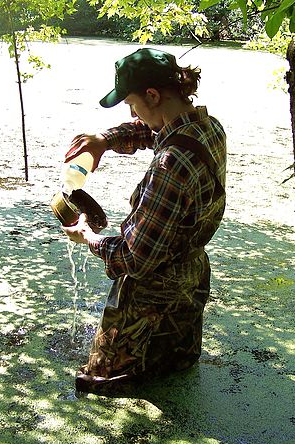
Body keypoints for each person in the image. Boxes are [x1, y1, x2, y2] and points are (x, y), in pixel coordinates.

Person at [62, 47, 227, 395]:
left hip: (147, 299)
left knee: (100, 382)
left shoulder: (171, 165)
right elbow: (152, 131)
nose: (132, 112)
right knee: (173, 369)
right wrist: (104, 141)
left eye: (132, 104)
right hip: (190, 281)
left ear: (152, 95)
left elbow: (134, 258)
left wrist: (89, 237)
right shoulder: (207, 128)